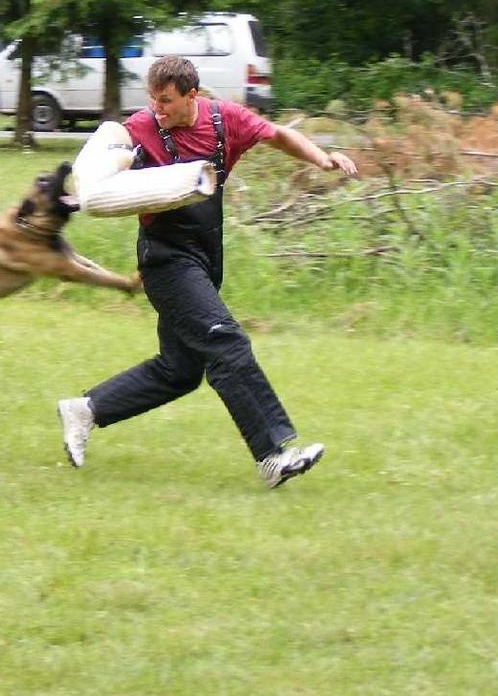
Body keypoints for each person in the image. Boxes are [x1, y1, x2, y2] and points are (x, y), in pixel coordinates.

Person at [58, 55, 358, 488]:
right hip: (165, 259)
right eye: (152, 100)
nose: (157, 110)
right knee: (226, 342)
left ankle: (86, 409)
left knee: (178, 372)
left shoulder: (225, 121)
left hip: (205, 253)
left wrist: (322, 159)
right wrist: (84, 192)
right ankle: (272, 456)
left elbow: (278, 136)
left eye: (166, 101)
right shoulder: (140, 129)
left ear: (191, 95)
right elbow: (99, 175)